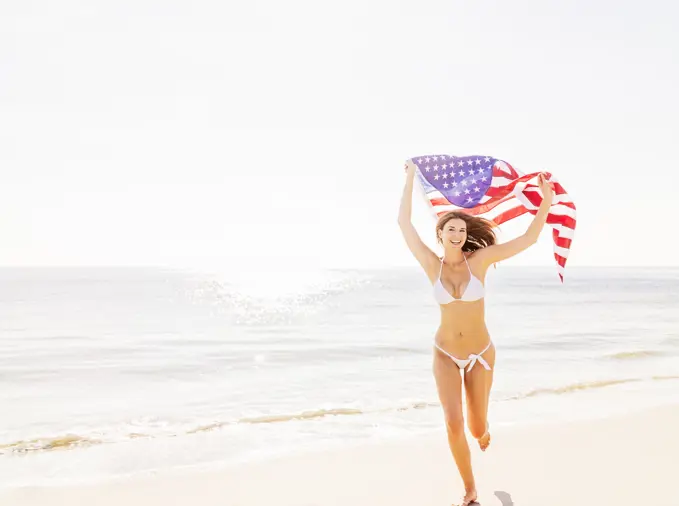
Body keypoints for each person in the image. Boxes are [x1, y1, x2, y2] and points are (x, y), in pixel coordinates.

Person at [397, 159, 555, 505]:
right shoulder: (430, 264)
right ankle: (470, 490)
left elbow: (528, 239)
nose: (456, 234)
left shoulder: (479, 261)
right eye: (450, 229)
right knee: (453, 424)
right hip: (445, 353)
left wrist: (546, 201)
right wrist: (411, 175)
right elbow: (404, 224)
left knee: (475, 428)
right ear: (439, 234)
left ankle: (484, 432)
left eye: (461, 230)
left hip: (481, 353)